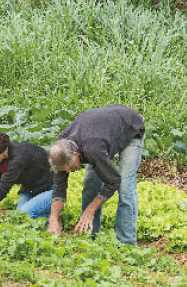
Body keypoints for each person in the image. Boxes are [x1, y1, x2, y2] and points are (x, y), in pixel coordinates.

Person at [47, 105, 145, 245]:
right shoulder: (60, 151)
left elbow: (113, 181)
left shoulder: (93, 149)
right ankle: (89, 237)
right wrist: (53, 219)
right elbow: (59, 188)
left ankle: (126, 244)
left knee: (124, 187)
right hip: (102, 132)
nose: (68, 172)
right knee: (90, 183)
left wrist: (90, 210)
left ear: (76, 155)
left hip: (130, 127)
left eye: (68, 168)